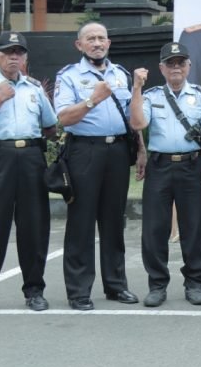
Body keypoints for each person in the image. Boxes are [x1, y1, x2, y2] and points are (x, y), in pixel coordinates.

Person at [0, 32, 57, 316]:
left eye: (19, 52)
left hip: (30, 158)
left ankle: (34, 291)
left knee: (34, 228)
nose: (13, 56)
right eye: (7, 52)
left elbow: (50, 127)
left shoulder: (34, 88)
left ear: (25, 57)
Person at [54, 22, 143, 311]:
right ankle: (79, 291)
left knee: (114, 220)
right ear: (79, 45)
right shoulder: (69, 76)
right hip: (84, 150)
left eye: (101, 38)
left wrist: (140, 149)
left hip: (117, 150)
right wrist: (93, 99)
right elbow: (64, 118)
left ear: (109, 43)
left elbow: (132, 116)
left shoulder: (121, 74)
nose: (97, 43)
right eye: (90, 39)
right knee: (81, 221)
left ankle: (116, 285)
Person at [130, 42, 201, 308]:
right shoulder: (151, 96)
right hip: (160, 166)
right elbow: (137, 123)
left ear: (189, 66)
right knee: (154, 229)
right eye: (171, 63)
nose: (176, 67)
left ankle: (194, 284)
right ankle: (157, 285)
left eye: (181, 62)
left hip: (193, 166)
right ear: (162, 68)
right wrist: (136, 87)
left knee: (194, 228)